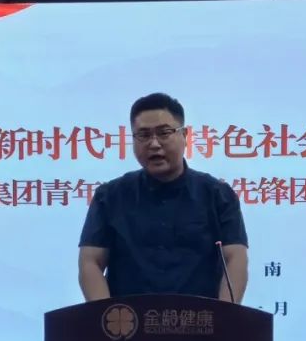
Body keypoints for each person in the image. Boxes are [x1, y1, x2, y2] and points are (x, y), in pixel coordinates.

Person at [77, 92, 248, 303]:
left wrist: (226, 316)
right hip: (129, 321)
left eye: (164, 133)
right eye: (143, 135)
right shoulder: (109, 197)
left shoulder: (218, 195)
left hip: (200, 320)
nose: (154, 144)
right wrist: (107, 316)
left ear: (185, 135)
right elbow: (91, 262)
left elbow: (235, 258)